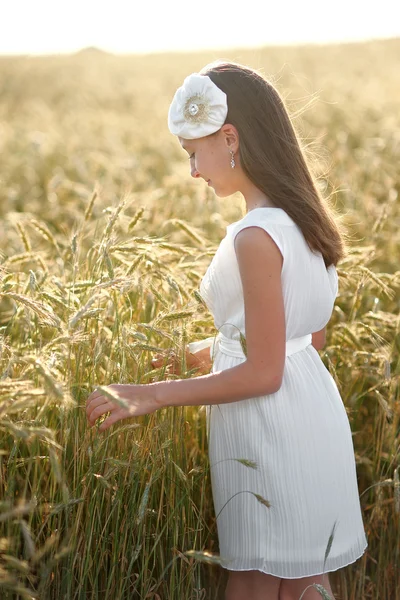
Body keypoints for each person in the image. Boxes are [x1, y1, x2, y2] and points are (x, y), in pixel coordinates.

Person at [86, 60, 368, 600]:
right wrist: (194, 354)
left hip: (264, 428)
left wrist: (148, 396)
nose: (194, 171)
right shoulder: (306, 222)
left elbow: (262, 372)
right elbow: (304, 340)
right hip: (313, 417)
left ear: (230, 137)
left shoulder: (254, 237)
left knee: (253, 581)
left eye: (194, 154)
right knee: (306, 580)